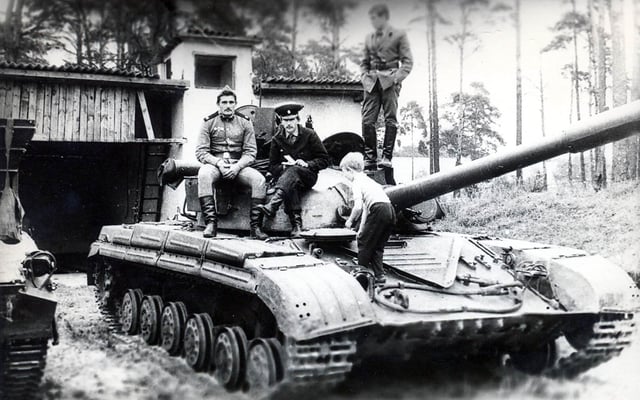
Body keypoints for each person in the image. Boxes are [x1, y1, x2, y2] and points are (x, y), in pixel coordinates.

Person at [195, 86, 268, 239]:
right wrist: (218, 163)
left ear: (235, 104)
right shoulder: (208, 122)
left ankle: (255, 228)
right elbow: (201, 152)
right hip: (215, 164)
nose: (228, 106)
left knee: (259, 180)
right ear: (218, 104)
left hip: (239, 164)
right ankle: (211, 224)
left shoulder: (245, 122)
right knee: (203, 174)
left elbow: (250, 152)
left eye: (231, 102)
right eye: (224, 102)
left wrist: (237, 167)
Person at [257, 103, 330, 237]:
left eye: (292, 119)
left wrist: (307, 164)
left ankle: (273, 204)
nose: (289, 123)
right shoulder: (277, 139)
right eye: (286, 120)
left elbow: (325, 160)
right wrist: (283, 167)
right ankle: (296, 225)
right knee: (291, 182)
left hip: (308, 176)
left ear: (298, 120)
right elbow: (272, 166)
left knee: (294, 171)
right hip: (288, 179)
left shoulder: (309, 135)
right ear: (281, 122)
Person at [360, 3, 413, 170]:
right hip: (371, 83)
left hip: (390, 81)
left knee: (390, 118)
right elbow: (364, 62)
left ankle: (387, 157)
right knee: (368, 120)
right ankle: (370, 158)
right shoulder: (369, 37)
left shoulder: (399, 35)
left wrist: (396, 79)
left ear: (384, 17)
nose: (374, 22)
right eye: (371, 19)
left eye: (376, 18)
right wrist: (364, 76)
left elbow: (407, 62)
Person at [340, 152, 396, 285]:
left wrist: (350, 221)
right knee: (377, 246)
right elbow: (366, 209)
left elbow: (358, 207)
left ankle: (361, 275)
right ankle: (379, 276)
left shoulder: (356, 182)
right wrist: (361, 228)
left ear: (350, 170)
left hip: (378, 210)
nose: (344, 176)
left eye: (343, 172)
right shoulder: (369, 181)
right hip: (389, 211)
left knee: (364, 243)